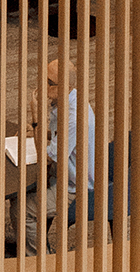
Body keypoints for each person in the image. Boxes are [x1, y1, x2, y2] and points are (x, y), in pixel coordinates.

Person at [24, 53, 97, 253]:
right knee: (22, 191)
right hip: (64, 172)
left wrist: (35, 117)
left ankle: (38, 258)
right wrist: (41, 132)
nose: (42, 85)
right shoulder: (68, 101)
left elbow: (48, 157)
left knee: (22, 210)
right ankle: (31, 239)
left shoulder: (73, 117)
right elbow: (59, 136)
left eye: (49, 83)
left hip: (74, 187)